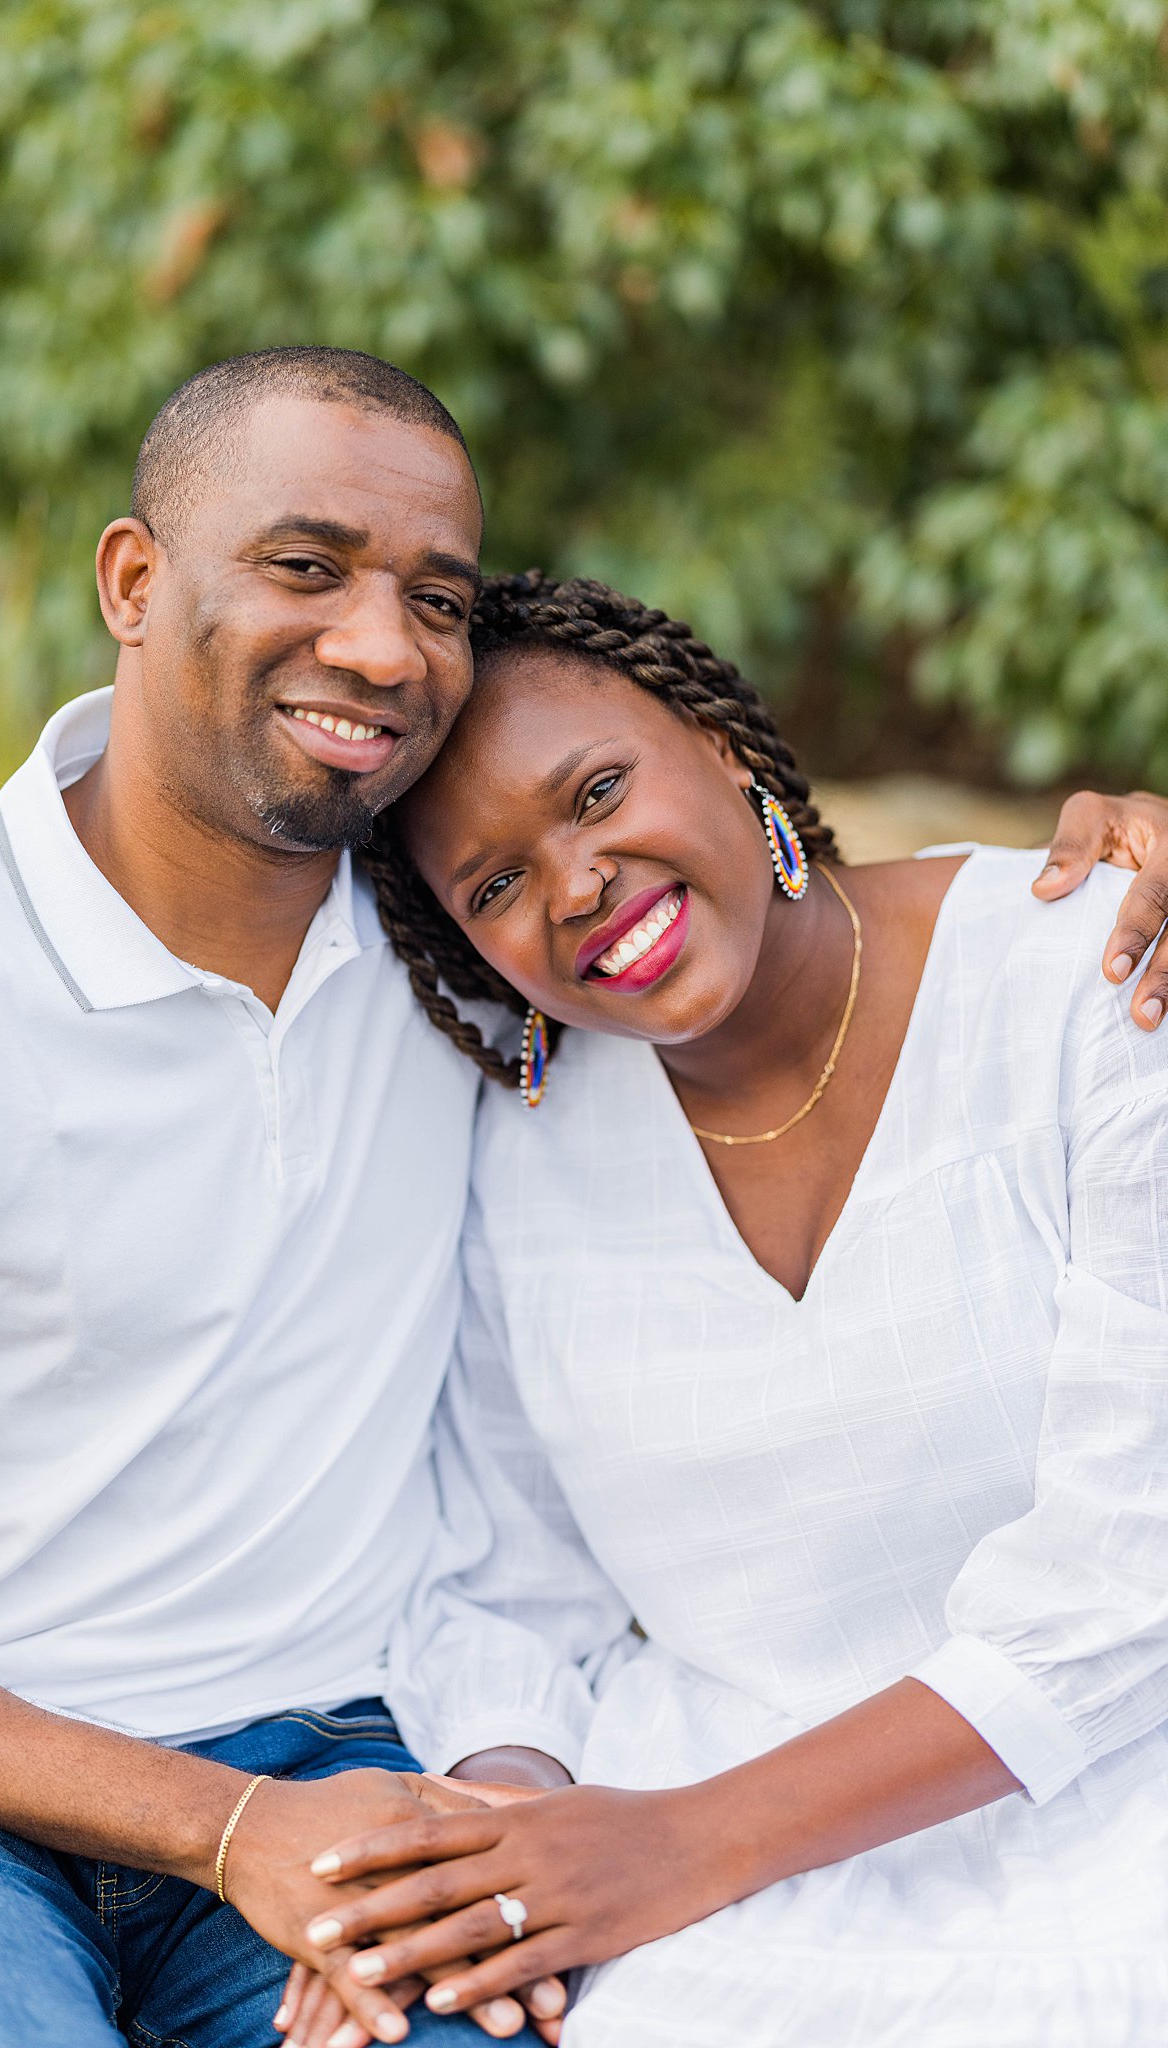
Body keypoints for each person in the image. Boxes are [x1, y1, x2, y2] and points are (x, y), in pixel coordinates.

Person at [0, 352, 574, 2048]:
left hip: (341, 1749)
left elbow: (746, 904)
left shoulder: (477, 939)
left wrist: (1082, 876)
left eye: (434, 598)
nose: (380, 648)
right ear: (134, 583)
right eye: (306, 568)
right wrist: (228, 1834)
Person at [283, 571, 1168, 2048]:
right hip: (723, 1873)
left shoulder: (1095, 983)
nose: (572, 886)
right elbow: (506, 1579)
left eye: (597, 791)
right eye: (492, 885)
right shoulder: (524, 1152)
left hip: (1107, 1805)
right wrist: (490, 1844)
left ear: (727, 747)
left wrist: (666, 1850)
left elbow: (1119, 1591)